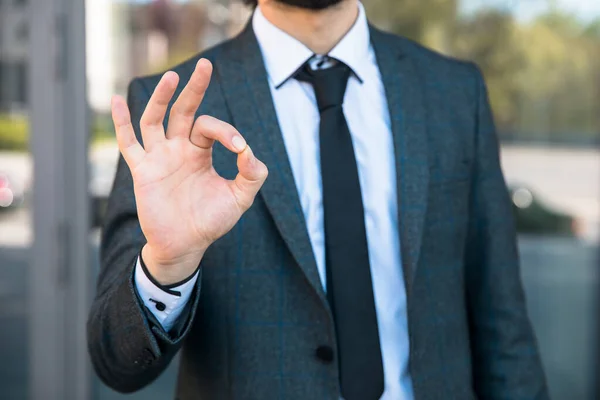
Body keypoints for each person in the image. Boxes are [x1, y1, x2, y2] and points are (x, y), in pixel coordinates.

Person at [87, 0, 549, 398]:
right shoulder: (171, 112)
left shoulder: (454, 92)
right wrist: (167, 267)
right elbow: (118, 364)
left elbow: (503, 327)